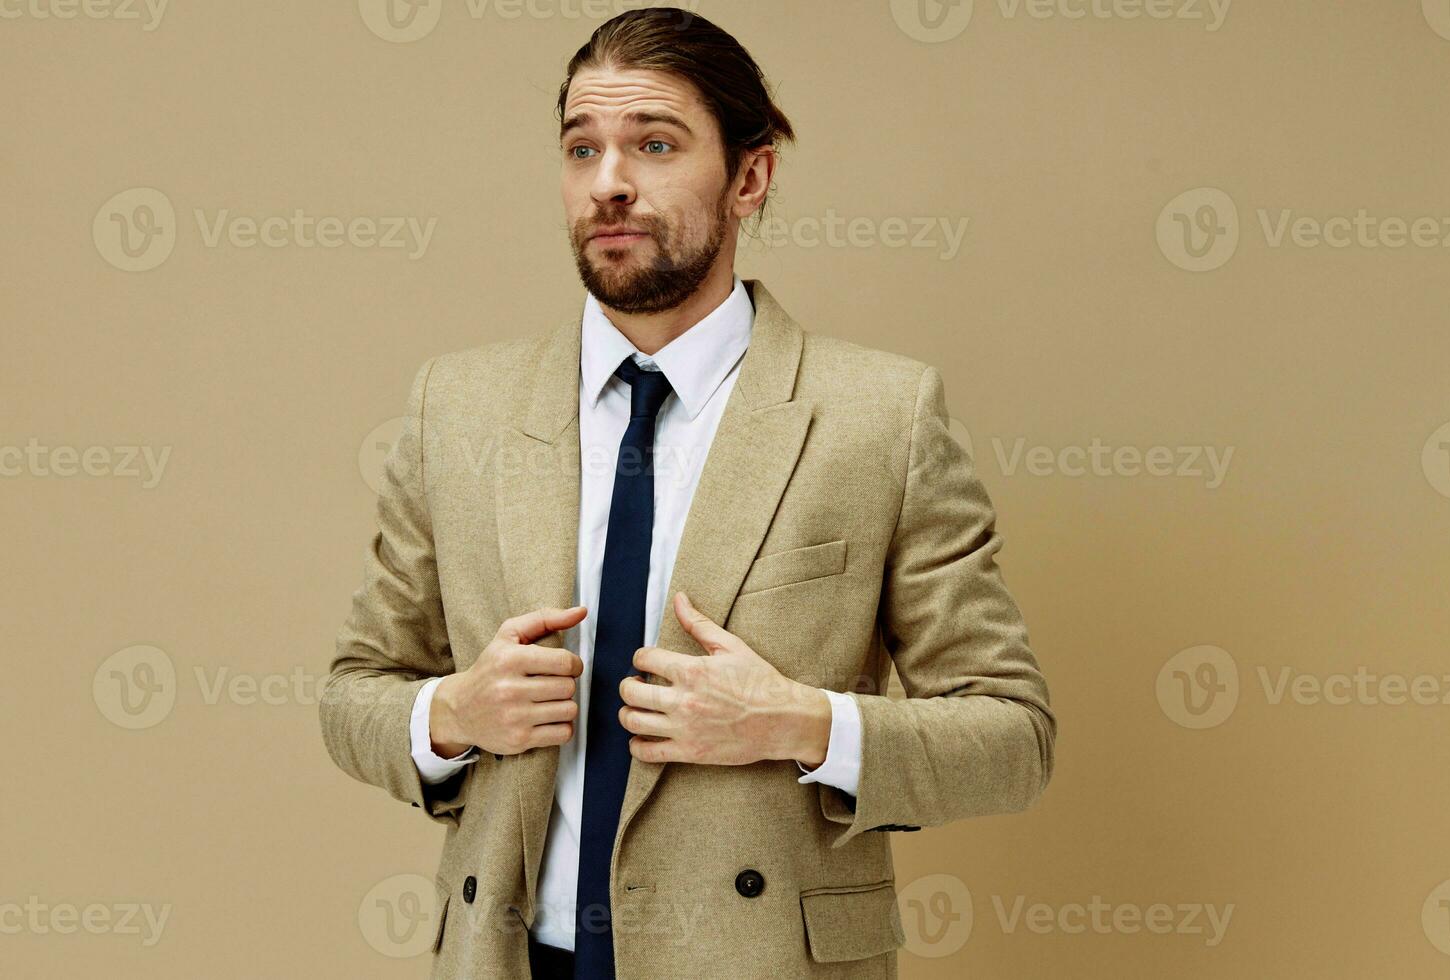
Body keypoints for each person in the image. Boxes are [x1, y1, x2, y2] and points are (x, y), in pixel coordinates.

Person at [319, 8, 1056, 979]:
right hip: (512, 957)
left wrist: (798, 722)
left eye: (654, 144)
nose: (609, 182)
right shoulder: (456, 406)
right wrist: (453, 712)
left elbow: (1012, 736)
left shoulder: (883, 415)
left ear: (750, 176)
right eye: (583, 149)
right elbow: (352, 691)